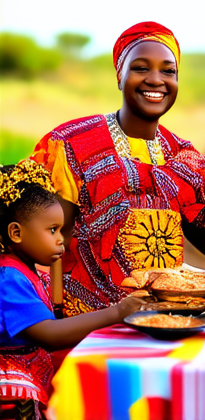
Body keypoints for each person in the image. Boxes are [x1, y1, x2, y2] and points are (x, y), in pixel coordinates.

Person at [32, 22, 205, 317]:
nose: (155, 79)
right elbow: (46, 238)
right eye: (140, 68)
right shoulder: (73, 145)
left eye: (168, 71)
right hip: (86, 324)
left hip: (166, 320)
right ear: (119, 76)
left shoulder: (190, 162)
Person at [0, 160, 144, 419]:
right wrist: (117, 312)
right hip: (13, 399)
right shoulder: (9, 278)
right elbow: (50, 334)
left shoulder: (26, 270)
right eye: (52, 230)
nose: (61, 240)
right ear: (16, 233)